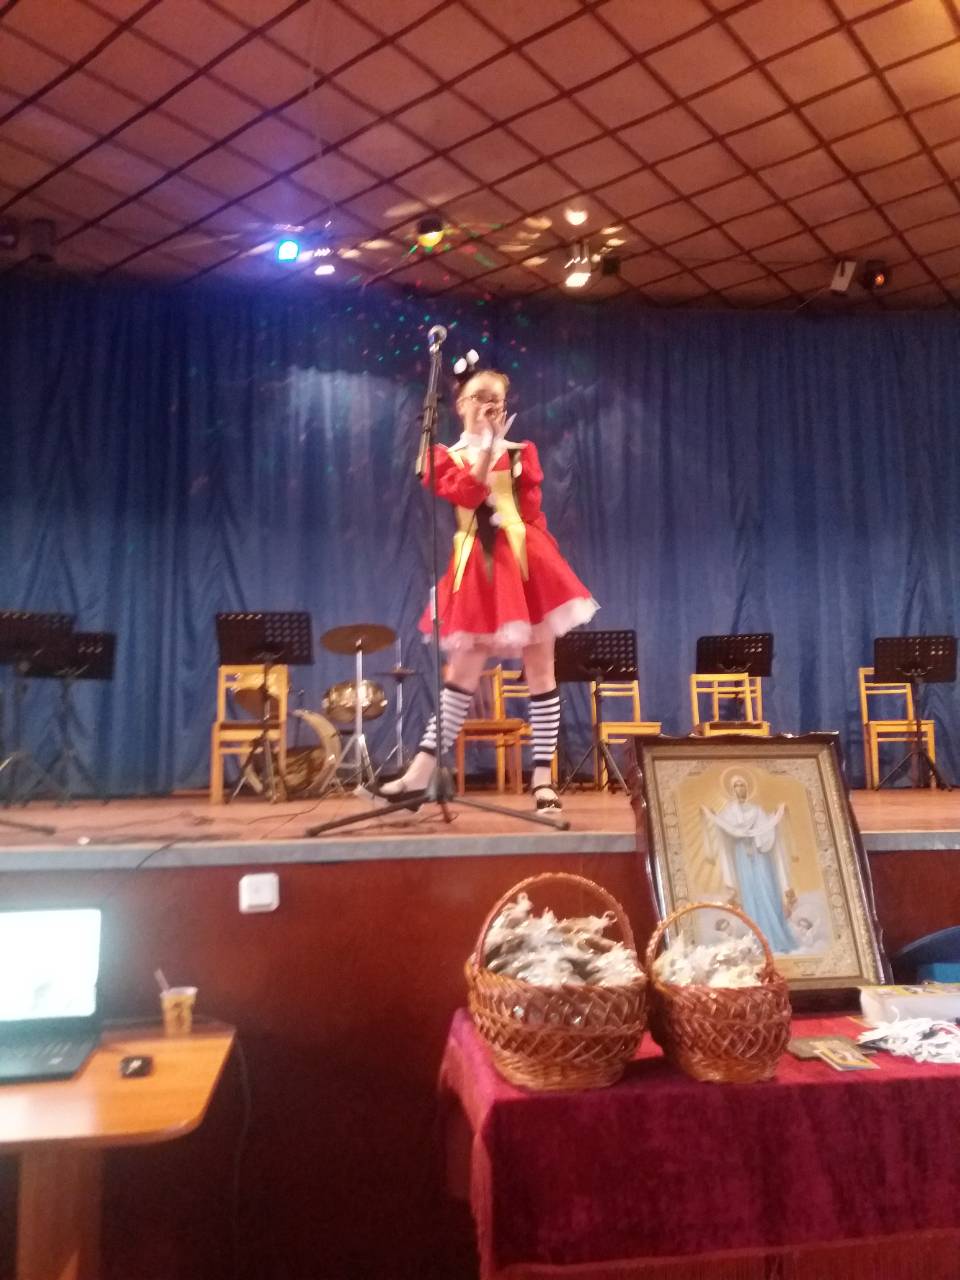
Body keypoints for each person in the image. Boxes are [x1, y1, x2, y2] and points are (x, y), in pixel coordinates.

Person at [378, 362, 597, 813]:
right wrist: (485, 449)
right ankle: (419, 774)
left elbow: (530, 511)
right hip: (475, 566)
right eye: (480, 397)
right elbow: (467, 494)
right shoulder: (442, 456)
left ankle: (542, 779)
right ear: (460, 404)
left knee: (541, 669)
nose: (489, 406)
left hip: (526, 562)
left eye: (496, 399)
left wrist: (542, 563)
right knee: (460, 675)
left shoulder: (521, 451)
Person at [701, 773, 797, 952]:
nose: (740, 789)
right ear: (732, 790)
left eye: (742, 785)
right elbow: (726, 829)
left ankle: (776, 938)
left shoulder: (757, 810)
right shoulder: (729, 812)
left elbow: (767, 830)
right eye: (736, 786)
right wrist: (713, 816)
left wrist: (776, 815)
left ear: (747, 788)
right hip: (743, 858)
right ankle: (756, 941)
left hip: (761, 857)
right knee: (750, 894)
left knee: (768, 892)